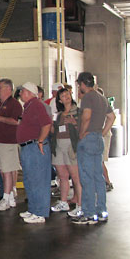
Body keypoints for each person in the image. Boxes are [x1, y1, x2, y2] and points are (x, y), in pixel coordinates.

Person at [71, 73, 115, 224]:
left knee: (86, 177)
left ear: (83, 84)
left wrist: (82, 133)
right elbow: (112, 117)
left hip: (88, 140)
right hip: (97, 139)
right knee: (98, 177)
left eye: (79, 85)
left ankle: (89, 213)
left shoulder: (87, 98)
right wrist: (101, 132)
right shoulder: (101, 98)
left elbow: (87, 116)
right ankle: (101, 210)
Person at [16, 82, 52, 224]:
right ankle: (33, 209)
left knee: (39, 180)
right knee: (30, 180)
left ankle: (40, 212)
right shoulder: (28, 106)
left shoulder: (36, 105)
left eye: (22, 91)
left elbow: (47, 124)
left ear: (30, 93)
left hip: (34, 147)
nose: (20, 93)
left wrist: (41, 141)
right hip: (28, 147)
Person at [0, 78, 22, 211]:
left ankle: (7, 197)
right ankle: (8, 198)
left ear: (8, 88)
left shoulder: (14, 104)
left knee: (8, 171)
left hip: (8, 142)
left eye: (1, 87)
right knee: (2, 171)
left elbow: (16, 121)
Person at [50, 87, 82, 216]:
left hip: (71, 145)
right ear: (60, 100)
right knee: (62, 176)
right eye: (62, 96)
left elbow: (83, 128)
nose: (66, 97)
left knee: (76, 176)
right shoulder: (58, 115)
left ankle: (80, 204)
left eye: (67, 94)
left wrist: (75, 123)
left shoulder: (78, 112)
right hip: (58, 145)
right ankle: (63, 201)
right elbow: (54, 131)